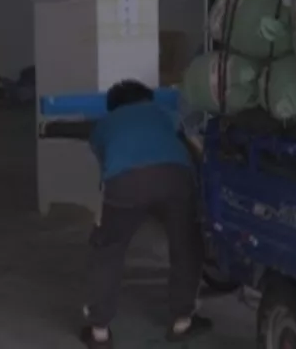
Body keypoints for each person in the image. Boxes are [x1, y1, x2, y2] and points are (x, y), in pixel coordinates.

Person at [80, 79, 212, 348]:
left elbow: (105, 163)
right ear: (147, 98)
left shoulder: (104, 124)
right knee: (185, 245)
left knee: (108, 250)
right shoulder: (166, 113)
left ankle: (99, 331)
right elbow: (194, 147)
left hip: (124, 184)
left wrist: (108, 211)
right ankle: (182, 321)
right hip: (176, 178)